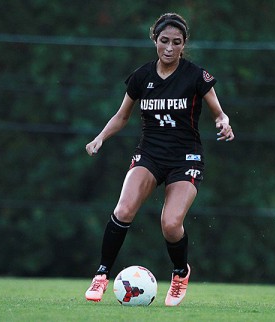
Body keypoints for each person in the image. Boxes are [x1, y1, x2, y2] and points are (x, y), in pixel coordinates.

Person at [84, 12, 234, 306]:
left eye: (176, 42)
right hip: (149, 154)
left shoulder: (196, 75)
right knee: (124, 209)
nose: (169, 47)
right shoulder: (142, 77)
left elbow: (220, 112)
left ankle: (180, 273)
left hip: (185, 158)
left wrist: (224, 122)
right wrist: (100, 137)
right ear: (155, 39)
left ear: (184, 44)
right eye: (164, 40)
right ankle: (101, 275)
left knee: (170, 223)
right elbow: (121, 116)